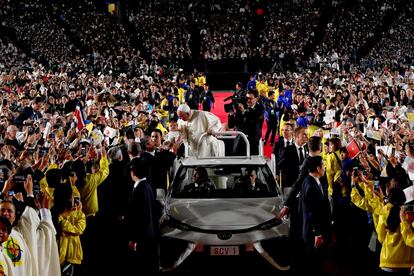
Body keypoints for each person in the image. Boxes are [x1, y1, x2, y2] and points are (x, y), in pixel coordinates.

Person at [299, 156, 331, 273]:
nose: (325, 167)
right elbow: (312, 212)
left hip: (312, 230)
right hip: (313, 233)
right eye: (323, 165)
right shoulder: (311, 186)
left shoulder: (311, 180)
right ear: (318, 168)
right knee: (314, 263)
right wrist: (317, 234)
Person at [126, 160, 159, 274]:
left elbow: (138, 218)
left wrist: (134, 239)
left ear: (133, 173)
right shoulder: (147, 186)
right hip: (149, 233)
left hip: (141, 236)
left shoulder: (139, 190)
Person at [237, 90, 264, 155]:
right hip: (241, 138)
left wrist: (244, 111)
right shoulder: (242, 107)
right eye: (247, 98)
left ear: (257, 99)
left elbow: (254, 120)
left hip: (253, 140)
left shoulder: (260, 108)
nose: (248, 100)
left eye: (250, 98)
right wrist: (231, 114)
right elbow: (233, 124)